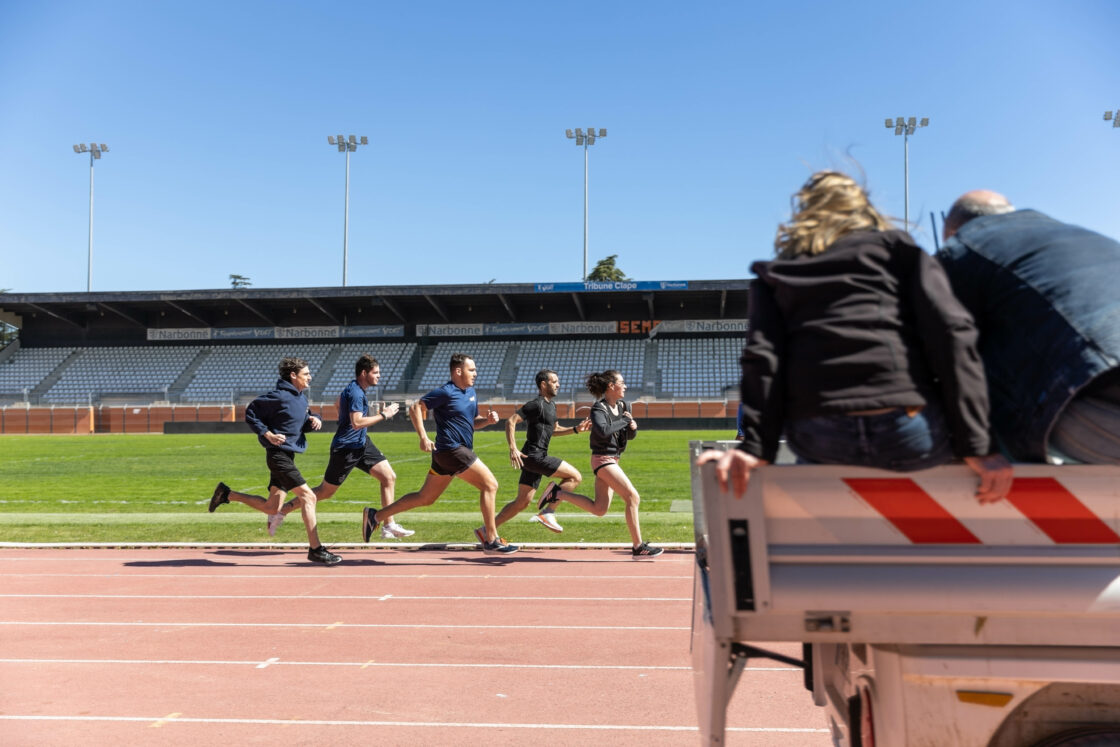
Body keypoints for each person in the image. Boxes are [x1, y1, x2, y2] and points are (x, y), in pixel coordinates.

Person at [699, 171, 1012, 501]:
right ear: (862, 209)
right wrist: (978, 446)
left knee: (826, 486)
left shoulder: (778, 272)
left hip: (819, 431)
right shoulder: (901, 253)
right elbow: (952, 336)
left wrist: (755, 448)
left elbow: (763, 357)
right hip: (905, 426)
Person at [938, 191, 1120, 464]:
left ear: (952, 230)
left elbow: (946, 356)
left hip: (1094, 398)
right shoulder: (1086, 236)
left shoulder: (961, 252)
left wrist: (976, 446)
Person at [360, 353, 517, 554]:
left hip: (447, 455)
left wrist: (486, 420)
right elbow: (416, 407)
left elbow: (472, 421)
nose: (475, 373)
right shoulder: (446, 391)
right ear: (458, 371)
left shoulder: (470, 392)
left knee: (425, 497)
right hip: (452, 450)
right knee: (490, 484)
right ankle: (491, 539)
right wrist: (423, 437)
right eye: (472, 369)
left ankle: (375, 516)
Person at [207, 356, 340, 566]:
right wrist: (267, 434)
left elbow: (299, 420)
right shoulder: (277, 396)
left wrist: (315, 419)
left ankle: (227, 494)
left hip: (288, 456)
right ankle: (316, 549)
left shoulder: (301, 398)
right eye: (306, 374)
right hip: (278, 456)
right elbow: (251, 413)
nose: (310, 377)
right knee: (308, 497)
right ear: (293, 375)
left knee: (271, 508)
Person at [268, 354, 415, 540]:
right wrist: (384, 415)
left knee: (389, 477)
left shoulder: (355, 389)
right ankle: (282, 511)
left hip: (361, 443)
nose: (379, 376)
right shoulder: (355, 392)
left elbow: (338, 403)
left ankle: (388, 525)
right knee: (325, 491)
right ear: (364, 373)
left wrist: (345, 418)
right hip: (346, 449)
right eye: (375, 372)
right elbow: (357, 422)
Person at [487, 369, 591, 537]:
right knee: (574, 477)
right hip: (535, 456)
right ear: (544, 384)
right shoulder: (536, 404)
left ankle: (486, 531)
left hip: (531, 457)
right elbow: (511, 421)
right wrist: (512, 448)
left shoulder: (551, 405)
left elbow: (554, 430)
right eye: (554, 381)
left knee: (522, 502)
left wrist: (575, 429)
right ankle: (548, 511)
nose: (558, 384)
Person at [581, 369, 663, 558]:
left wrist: (632, 428)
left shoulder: (624, 405)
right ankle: (638, 546)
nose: (625, 386)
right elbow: (602, 431)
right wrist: (625, 421)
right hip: (602, 459)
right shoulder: (598, 409)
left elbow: (627, 435)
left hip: (614, 458)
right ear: (611, 386)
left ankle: (557, 493)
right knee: (632, 497)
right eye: (622, 383)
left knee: (599, 509)